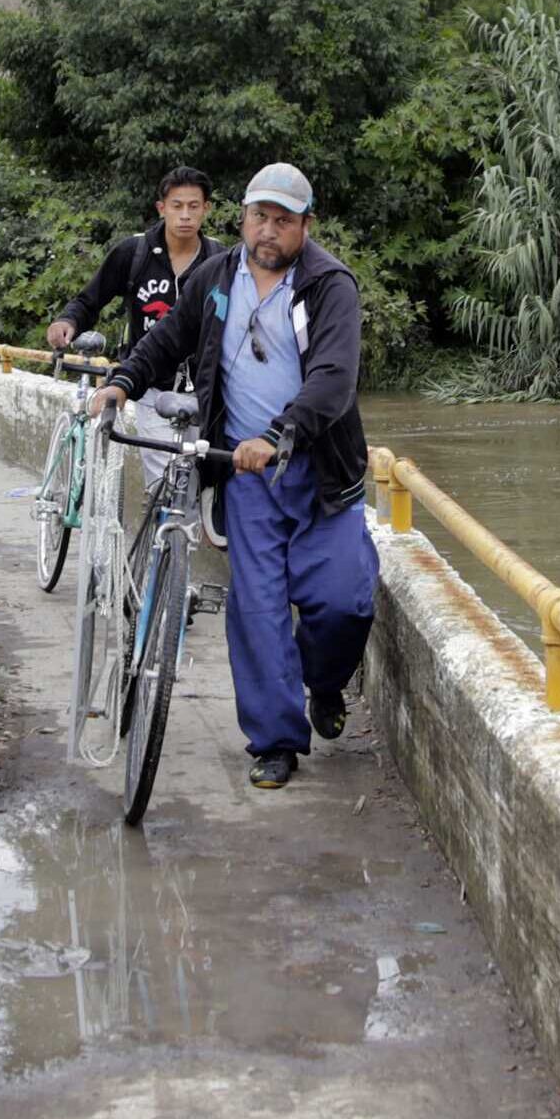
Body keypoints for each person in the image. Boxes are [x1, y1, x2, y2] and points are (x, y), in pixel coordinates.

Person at [93, 162, 374, 791]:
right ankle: (275, 739)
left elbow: (334, 378)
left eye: (283, 221)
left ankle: (323, 684)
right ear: (242, 217)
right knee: (259, 607)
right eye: (259, 217)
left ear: (306, 225)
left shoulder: (330, 287)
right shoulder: (217, 278)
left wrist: (279, 435)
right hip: (244, 477)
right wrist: (122, 382)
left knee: (343, 602)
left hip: (320, 471)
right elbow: (168, 338)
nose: (268, 231)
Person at [46, 166, 217, 360]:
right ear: (162, 209)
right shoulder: (134, 252)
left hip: (199, 384)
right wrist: (68, 321)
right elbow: (89, 301)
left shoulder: (219, 259)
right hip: (139, 379)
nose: (185, 215)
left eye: (193, 206)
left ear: (206, 208)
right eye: (177, 206)